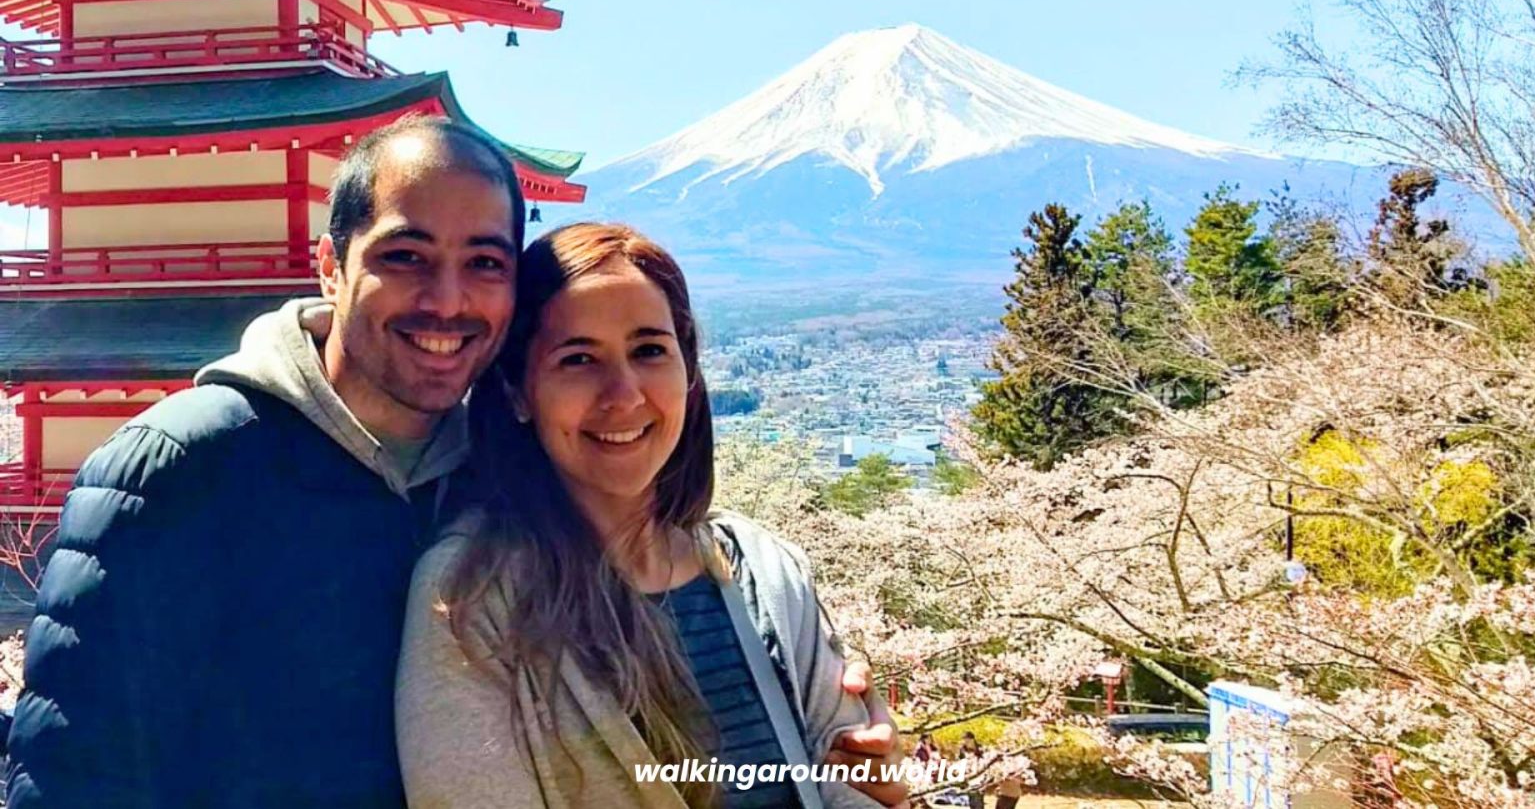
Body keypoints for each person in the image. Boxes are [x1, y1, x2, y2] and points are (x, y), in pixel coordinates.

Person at [5, 118, 898, 808]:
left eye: (484, 263)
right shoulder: (184, 468)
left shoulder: (506, 488)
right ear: (330, 265)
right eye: (405, 257)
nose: (447, 300)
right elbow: (72, 776)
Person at [396, 223, 905, 808]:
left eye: (649, 351)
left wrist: (878, 787)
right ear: (516, 391)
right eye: (578, 358)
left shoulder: (766, 572)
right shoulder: (472, 599)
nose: (625, 393)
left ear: (689, 374)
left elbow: (849, 786)